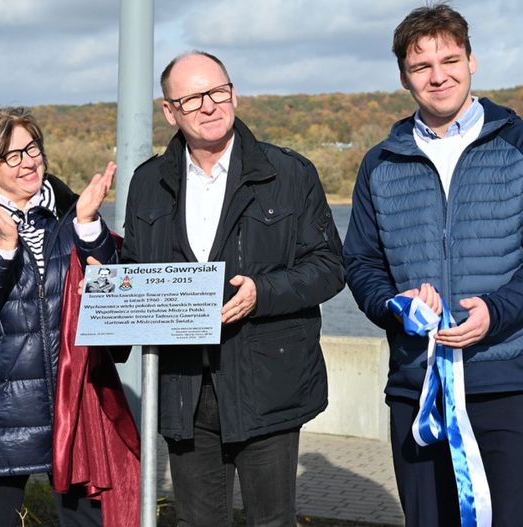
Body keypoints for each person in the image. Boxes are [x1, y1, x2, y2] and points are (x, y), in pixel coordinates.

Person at [343, 4, 523, 526]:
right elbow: (360, 262)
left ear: (472, 61)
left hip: (513, 382)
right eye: (421, 66)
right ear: (404, 77)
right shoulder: (380, 162)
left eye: (449, 60)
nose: (438, 76)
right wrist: (394, 305)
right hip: (418, 386)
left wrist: (496, 311)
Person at [121, 51, 345, 526]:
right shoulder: (147, 183)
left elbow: (329, 267)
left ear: (234, 94)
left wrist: (263, 292)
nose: (209, 105)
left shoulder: (289, 174)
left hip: (266, 384)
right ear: (170, 111)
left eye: (217, 92)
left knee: (271, 521)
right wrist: (109, 284)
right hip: (183, 388)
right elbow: (135, 272)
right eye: (192, 98)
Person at [0, 108, 119, 527]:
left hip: (74, 403)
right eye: (12, 155)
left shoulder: (72, 212)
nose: (28, 162)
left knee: (87, 522)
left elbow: (114, 296)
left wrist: (89, 226)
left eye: (32, 149)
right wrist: (4, 245)